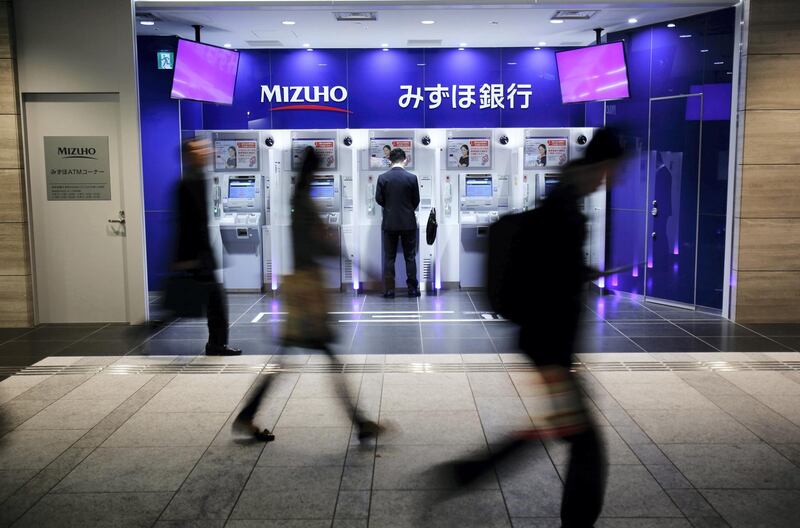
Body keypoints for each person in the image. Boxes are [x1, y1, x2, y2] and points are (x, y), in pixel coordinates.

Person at [440, 128, 624, 528]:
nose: (615, 177)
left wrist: (576, 271)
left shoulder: (565, 194)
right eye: (616, 168)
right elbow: (552, 276)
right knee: (585, 443)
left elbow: (549, 266)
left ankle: (468, 472)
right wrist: (574, 273)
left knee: (562, 429)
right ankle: (472, 474)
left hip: (545, 343)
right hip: (549, 345)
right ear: (606, 164)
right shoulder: (568, 205)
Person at [232, 147, 381, 442]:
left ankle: (247, 416)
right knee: (324, 358)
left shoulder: (297, 201)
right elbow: (322, 247)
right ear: (315, 172)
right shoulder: (306, 205)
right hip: (308, 292)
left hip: (299, 288)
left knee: (293, 358)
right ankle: (360, 422)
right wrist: (362, 266)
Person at [174, 138, 241, 356]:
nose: (206, 151)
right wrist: (185, 257)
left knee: (204, 302)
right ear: (190, 155)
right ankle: (216, 344)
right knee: (212, 302)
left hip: (200, 255)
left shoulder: (199, 179)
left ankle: (216, 343)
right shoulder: (187, 183)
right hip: (196, 256)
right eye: (200, 149)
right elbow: (185, 223)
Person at [375, 148, 421, 298]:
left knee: (389, 257)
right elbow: (416, 200)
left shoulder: (382, 178)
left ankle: (389, 290)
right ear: (404, 159)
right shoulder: (412, 178)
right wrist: (407, 210)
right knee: (410, 256)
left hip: (389, 223)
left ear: (390, 160)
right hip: (408, 223)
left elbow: (378, 199)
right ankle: (412, 289)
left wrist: (389, 209)